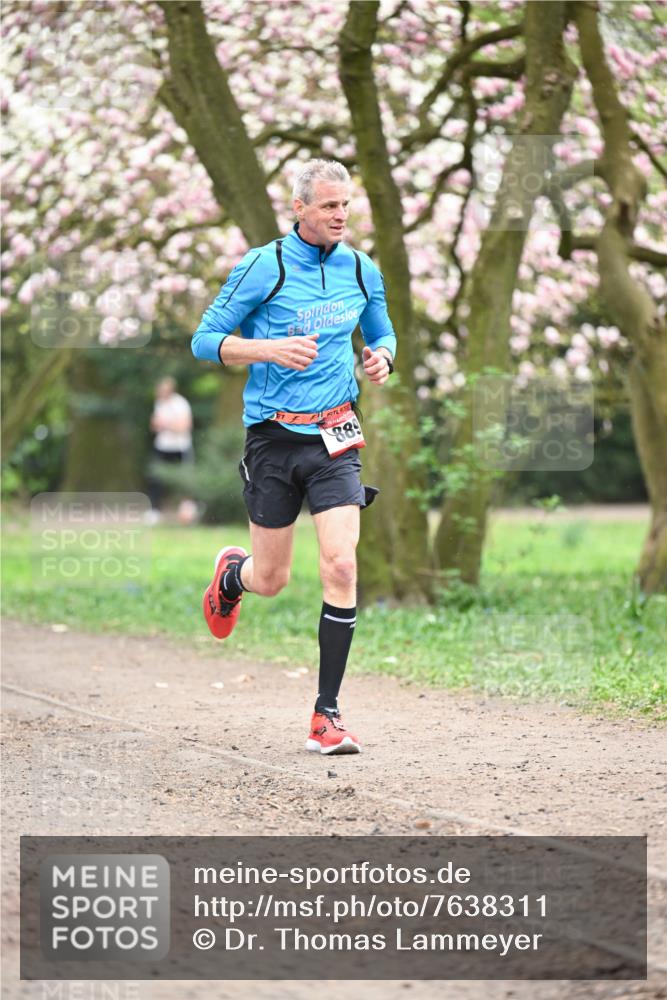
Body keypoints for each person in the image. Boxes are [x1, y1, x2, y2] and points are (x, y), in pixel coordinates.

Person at [191, 159, 396, 755]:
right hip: (274, 441)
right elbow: (205, 340)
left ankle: (325, 715)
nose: (340, 215)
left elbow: (382, 332)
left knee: (341, 566)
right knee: (273, 579)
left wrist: (382, 356)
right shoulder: (264, 266)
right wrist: (267, 350)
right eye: (329, 205)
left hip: (336, 436)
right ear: (299, 208)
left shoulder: (361, 269)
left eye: (346, 205)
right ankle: (232, 576)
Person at [147, 377, 194, 519]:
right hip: (162, 446)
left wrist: (166, 424)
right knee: (156, 479)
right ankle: (155, 510)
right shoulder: (159, 403)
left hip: (180, 448)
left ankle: (186, 511)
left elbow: (184, 427)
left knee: (183, 480)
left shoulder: (180, 404)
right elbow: (154, 425)